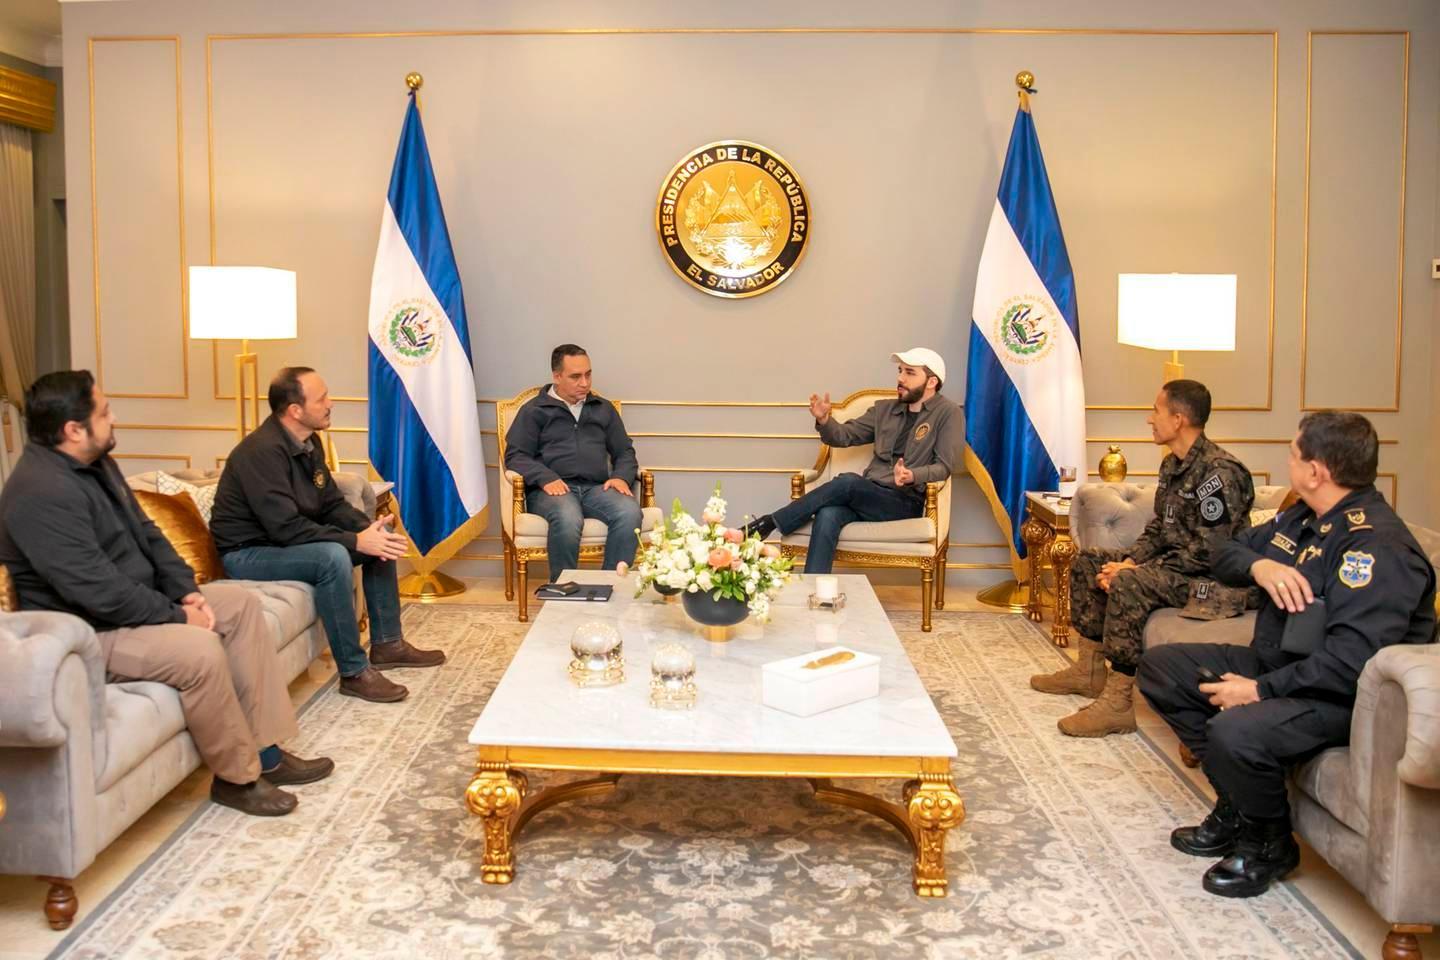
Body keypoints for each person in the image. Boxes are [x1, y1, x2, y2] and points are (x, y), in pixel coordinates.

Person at [0, 371, 332, 817]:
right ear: (73, 430)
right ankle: (237, 779)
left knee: (240, 606)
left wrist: (187, 593)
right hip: (88, 634)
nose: (114, 418)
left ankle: (267, 754)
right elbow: (96, 590)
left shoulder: (97, 463)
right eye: (104, 413)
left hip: (139, 606)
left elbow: (149, 534)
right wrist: (177, 617)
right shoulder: (38, 493)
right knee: (198, 651)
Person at [1138, 411, 1435, 898]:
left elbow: (1349, 664)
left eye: (1294, 455)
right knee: (1163, 669)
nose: (1288, 461)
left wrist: (1259, 691)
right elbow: (1226, 553)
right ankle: (1237, 806)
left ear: (1316, 471)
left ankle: (1269, 843)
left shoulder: (1376, 549)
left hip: (1341, 698)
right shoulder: (1302, 517)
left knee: (1234, 729)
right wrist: (1262, 567)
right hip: (1285, 666)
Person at [1031, 380, 1255, 738]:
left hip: (1215, 584)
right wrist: (1131, 559)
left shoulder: (1220, 473)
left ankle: (1118, 704)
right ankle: (1089, 671)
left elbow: (1211, 553)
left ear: (1178, 419)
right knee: (1090, 561)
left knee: (1128, 582)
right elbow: (1159, 529)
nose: (1150, 419)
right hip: (1178, 568)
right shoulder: (1172, 466)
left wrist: (1133, 570)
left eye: (1156, 410)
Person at [210, 367, 445, 704]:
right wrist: (355, 541)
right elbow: (284, 527)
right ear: (295, 410)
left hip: (281, 541)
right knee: (332, 557)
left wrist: (367, 531)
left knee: (380, 536)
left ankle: (388, 644)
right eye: (321, 399)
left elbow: (331, 503)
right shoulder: (260, 453)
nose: (330, 403)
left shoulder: (309, 441)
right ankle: (353, 672)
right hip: (248, 553)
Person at [741, 348, 959, 573]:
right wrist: (824, 420)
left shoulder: (948, 413)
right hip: (867, 494)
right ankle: (814, 586)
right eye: (900, 371)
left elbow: (944, 467)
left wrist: (912, 475)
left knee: (848, 483)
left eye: (910, 373)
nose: (901, 378)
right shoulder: (884, 409)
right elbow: (844, 436)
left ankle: (768, 523)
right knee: (827, 514)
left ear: (931, 381)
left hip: (904, 501)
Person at [503, 344, 643, 583]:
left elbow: (624, 452)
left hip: (596, 489)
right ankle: (563, 590)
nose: (584, 383)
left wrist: (621, 477)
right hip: (550, 492)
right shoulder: (534, 410)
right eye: (576, 376)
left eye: (588, 374)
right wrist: (546, 478)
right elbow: (516, 456)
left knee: (629, 512)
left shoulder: (603, 409)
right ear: (557, 376)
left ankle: (610, 586)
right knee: (568, 517)